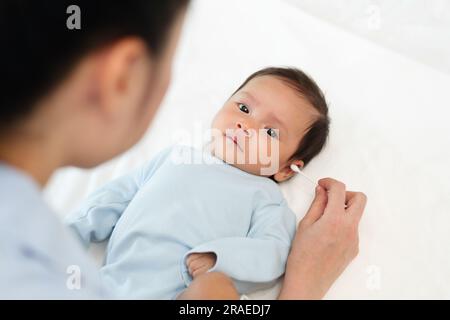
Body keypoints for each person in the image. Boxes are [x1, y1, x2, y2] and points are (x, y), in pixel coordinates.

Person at [0, 1, 366, 299]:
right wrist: (74, 231)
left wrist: (220, 258)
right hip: (113, 280)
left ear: (287, 168)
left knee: (215, 290)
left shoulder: (266, 198)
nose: (246, 125)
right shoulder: (174, 157)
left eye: (270, 131)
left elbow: (273, 251)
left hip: (182, 290)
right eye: (242, 108)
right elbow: (114, 197)